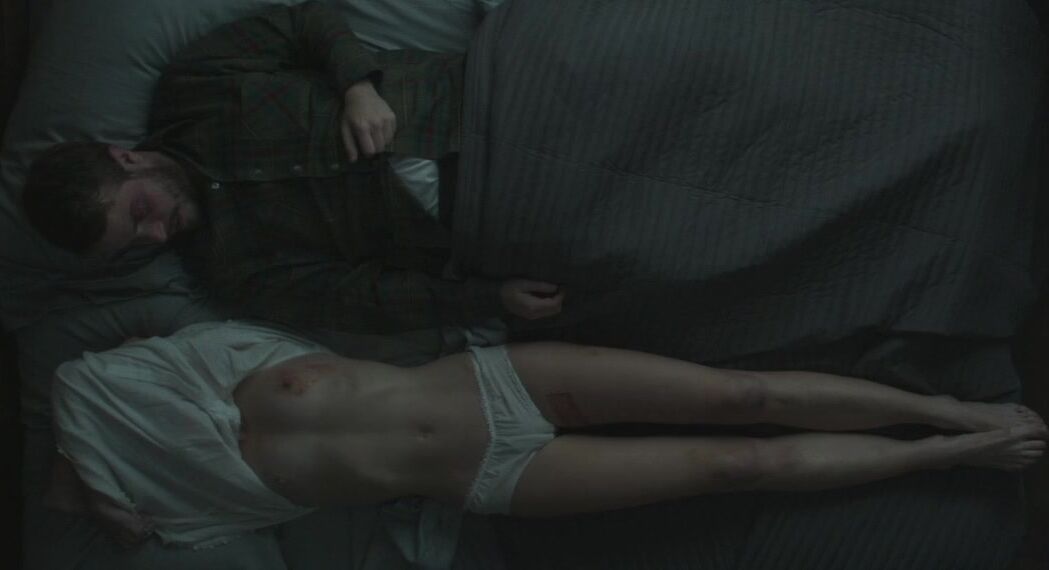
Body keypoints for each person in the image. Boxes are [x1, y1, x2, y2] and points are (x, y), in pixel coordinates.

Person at [49, 321, 1047, 549]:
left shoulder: (116, 380)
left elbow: (109, 376)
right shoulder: (174, 512)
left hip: (493, 376)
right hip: (496, 477)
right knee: (739, 464)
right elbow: (130, 527)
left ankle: (953, 411)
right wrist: (95, 495)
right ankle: (956, 452)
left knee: (739, 397)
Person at [20, 1, 564, 352]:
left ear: (125, 158)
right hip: (480, 215)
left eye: (140, 212)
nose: (158, 233)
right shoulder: (229, 270)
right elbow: (361, 298)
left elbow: (306, 22)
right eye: (138, 242)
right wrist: (487, 300)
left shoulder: (194, 85)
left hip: (468, 99)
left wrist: (356, 87)